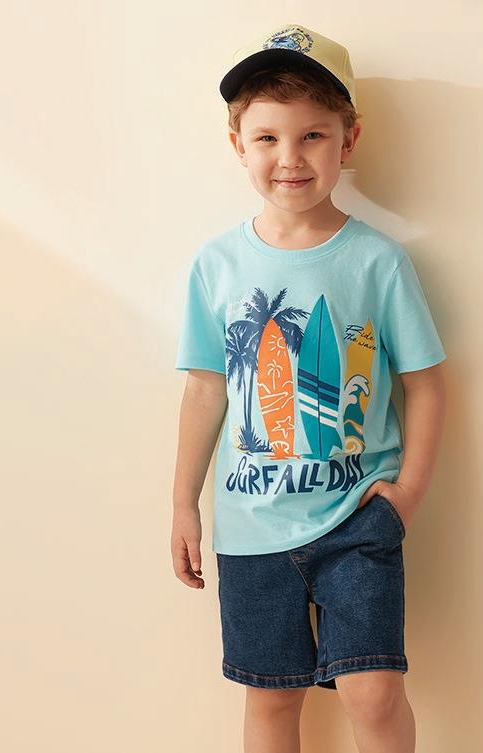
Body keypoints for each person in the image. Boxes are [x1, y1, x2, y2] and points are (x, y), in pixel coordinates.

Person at [171, 22, 447, 753]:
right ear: (238, 144)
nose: (289, 158)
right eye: (267, 137)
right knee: (270, 699)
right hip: (249, 526)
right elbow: (205, 390)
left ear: (348, 139)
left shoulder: (378, 261)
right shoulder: (216, 264)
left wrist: (408, 494)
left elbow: (425, 384)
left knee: (373, 692)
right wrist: (182, 504)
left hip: (357, 521)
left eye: (312, 136)